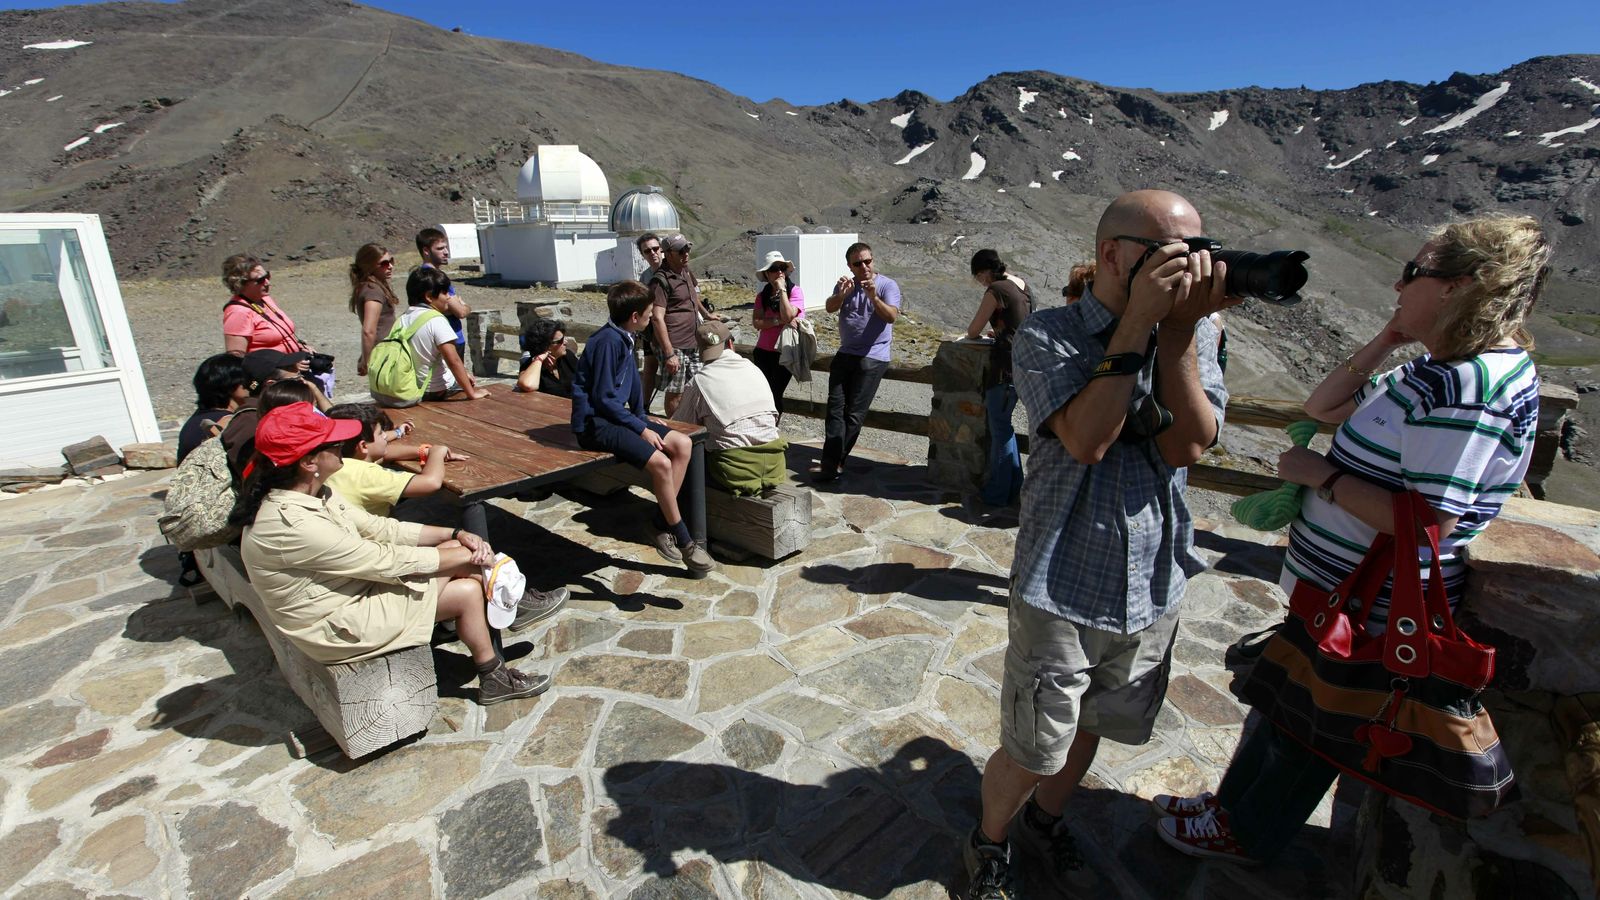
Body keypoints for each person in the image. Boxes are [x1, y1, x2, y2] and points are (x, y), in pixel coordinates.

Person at [1154, 215, 1549, 865]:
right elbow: (1323, 406)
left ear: (1460, 287)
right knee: (1287, 705)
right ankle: (1229, 810)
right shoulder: (1437, 366)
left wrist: (1322, 475)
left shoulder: (1469, 387)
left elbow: (1428, 521)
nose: (1399, 282)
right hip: (1344, 591)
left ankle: (1244, 832)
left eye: (1415, 272)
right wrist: (1389, 337)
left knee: (1311, 728)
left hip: (1373, 602)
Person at [964, 190, 1234, 900]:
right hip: (1062, 580)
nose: (1189, 267)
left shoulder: (1197, 335)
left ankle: (1044, 825)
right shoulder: (1048, 334)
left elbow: (1188, 446)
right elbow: (1087, 439)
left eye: (1197, 250)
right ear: (1113, 255)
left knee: (1092, 724)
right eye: (1169, 254)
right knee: (1032, 747)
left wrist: (1173, 336)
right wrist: (1138, 324)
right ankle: (990, 840)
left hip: (1150, 579)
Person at [233, 403, 554, 704]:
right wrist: (461, 554)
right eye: (332, 444)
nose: (341, 447)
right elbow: (382, 561)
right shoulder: (293, 524)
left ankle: (493, 675)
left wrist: (454, 533)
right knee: (461, 561)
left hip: (347, 598)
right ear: (308, 462)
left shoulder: (316, 493)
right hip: (336, 628)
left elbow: (380, 529)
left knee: (467, 589)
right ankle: (509, 597)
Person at [572, 280, 714, 578]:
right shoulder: (607, 342)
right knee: (661, 462)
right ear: (635, 317)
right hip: (595, 424)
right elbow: (602, 398)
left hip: (617, 416)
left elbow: (633, 380)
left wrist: (642, 415)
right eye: (650, 313)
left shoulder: (624, 335)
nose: (653, 317)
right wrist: (639, 427)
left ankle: (660, 524)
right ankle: (685, 540)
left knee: (683, 444)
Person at [816, 241, 901, 482]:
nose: (864, 266)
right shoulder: (846, 284)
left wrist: (873, 297)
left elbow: (891, 316)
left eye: (867, 261)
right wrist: (841, 295)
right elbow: (829, 308)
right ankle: (831, 464)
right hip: (845, 354)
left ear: (873, 260)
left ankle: (834, 462)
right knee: (834, 409)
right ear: (850, 266)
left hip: (873, 356)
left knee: (854, 413)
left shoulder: (886, 285)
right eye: (858, 263)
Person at [672, 320, 787, 496]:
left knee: (684, 456)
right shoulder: (754, 370)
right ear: (731, 343)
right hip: (775, 464)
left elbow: (681, 427)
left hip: (734, 471)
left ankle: (680, 517)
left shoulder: (700, 381)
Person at [964, 249, 1034, 507]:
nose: (980, 281)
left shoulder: (996, 290)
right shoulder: (1022, 285)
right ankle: (1014, 487)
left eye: (978, 276)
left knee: (1001, 429)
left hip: (1004, 367)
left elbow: (973, 329)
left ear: (984, 272)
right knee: (1006, 427)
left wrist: (993, 334)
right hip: (1025, 363)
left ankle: (996, 493)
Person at [323, 403, 466, 516]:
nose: (386, 436)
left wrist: (424, 451)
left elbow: (385, 454)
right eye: (381, 434)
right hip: (374, 541)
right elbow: (430, 483)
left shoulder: (333, 462)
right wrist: (437, 452)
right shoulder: (367, 474)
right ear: (363, 446)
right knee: (435, 507)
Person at [373, 267, 487, 407]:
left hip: (410, 385)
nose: (449, 297)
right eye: (444, 292)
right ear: (429, 296)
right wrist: (472, 394)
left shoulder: (404, 318)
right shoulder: (437, 321)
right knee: (468, 380)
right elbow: (454, 361)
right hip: (434, 389)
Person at [221, 253, 330, 396]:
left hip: (292, 373)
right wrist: (284, 367)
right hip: (272, 382)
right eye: (260, 280)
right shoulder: (238, 312)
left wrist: (301, 348)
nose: (267, 282)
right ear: (241, 283)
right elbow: (237, 359)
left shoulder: (264, 299)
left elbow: (282, 332)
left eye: (268, 276)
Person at [221, 350, 330, 479]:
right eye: (296, 379)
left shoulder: (277, 411)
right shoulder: (250, 423)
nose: (303, 381)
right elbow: (260, 477)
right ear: (271, 384)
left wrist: (315, 391)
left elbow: (334, 422)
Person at [648, 234, 722, 417]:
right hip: (675, 346)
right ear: (668, 254)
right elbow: (657, 318)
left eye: (687, 249)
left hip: (693, 342)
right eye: (681, 251)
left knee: (697, 386)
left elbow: (693, 296)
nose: (686, 254)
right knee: (676, 391)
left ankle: (690, 425)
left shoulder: (685, 271)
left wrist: (706, 314)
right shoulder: (660, 280)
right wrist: (669, 353)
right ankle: (675, 429)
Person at [750, 250, 805, 419]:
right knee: (761, 393)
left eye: (782, 267)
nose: (780, 272)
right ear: (767, 274)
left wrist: (782, 291)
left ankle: (771, 430)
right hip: (763, 351)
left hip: (785, 351)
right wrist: (779, 321)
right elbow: (757, 323)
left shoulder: (795, 291)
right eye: (774, 268)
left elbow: (789, 315)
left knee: (775, 393)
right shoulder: (762, 296)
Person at [178, 353, 250, 462]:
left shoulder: (197, 419)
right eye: (248, 380)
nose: (253, 384)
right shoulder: (227, 424)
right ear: (230, 386)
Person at [415, 227, 471, 354]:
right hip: (447, 339)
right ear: (426, 251)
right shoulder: (432, 279)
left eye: (446, 247)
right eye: (440, 248)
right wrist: (464, 306)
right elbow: (460, 312)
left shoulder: (424, 275)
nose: (446, 252)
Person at [350, 243, 400, 377]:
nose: (390, 266)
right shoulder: (373, 291)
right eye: (384, 264)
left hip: (386, 350)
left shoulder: (373, 287)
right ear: (369, 266)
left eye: (391, 261)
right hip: (385, 353)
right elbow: (369, 330)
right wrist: (366, 361)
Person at [635, 233, 666, 408]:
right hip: (651, 330)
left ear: (661, 249)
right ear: (643, 255)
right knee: (650, 367)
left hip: (673, 329)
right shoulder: (644, 277)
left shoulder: (674, 270)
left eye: (655, 249)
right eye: (647, 251)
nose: (653, 253)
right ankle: (644, 407)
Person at [515, 317, 578, 398]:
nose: (565, 342)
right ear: (545, 346)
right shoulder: (530, 366)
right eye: (560, 341)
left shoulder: (567, 357)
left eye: (564, 338)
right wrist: (539, 359)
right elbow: (528, 385)